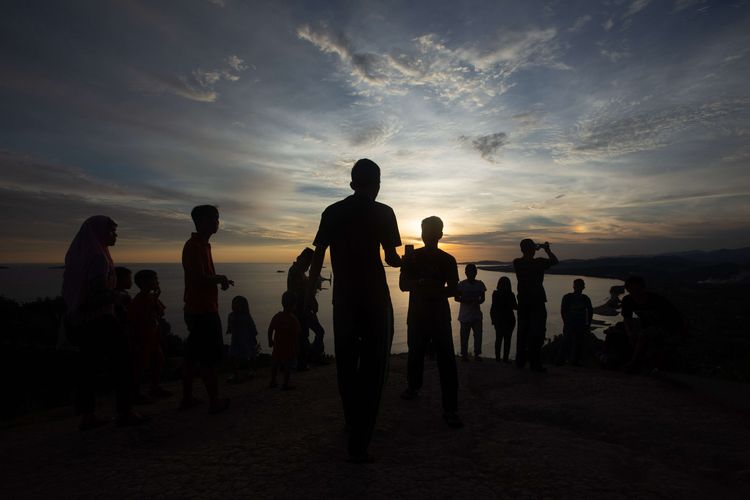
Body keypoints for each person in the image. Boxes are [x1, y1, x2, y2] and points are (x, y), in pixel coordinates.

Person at [306, 158, 402, 463]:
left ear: (351, 183)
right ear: (378, 183)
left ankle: (351, 421)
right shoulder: (384, 212)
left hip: (344, 298)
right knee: (375, 367)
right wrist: (405, 262)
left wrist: (310, 293)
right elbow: (391, 258)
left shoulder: (333, 211)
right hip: (374, 297)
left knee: (346, 363)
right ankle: (360, 441)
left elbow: (318, 256)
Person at [62, 216, 147, 430]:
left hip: (79, 320)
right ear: (100, 233)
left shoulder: (77, 256)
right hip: (100, 319)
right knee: (124, 362)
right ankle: (125, 411)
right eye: (112, 231)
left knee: (88, 368)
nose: (115, 235)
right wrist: (119, 296)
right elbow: (97, 294)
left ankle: (88, 415)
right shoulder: (99, 258)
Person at [400, 216, 462, 428]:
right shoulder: (411, 258)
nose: (427, 234)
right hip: (418, 314)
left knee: (447, 361)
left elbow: (453, 289)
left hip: (438, 315)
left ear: (440, 235)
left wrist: (434, 291)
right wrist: (421, 282)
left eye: (430, 230)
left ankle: (450, 408)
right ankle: (413, 386)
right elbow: (402, 285)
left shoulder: (448, 260)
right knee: (415, 353)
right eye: (425, 230)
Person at [180, 205, 232, 414]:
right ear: (201, 221)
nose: (217, 223)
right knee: (209, 358)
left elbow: (203, 277)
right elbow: (198, 279)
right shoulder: (194, 246)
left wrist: (219, 280)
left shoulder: (202, 245)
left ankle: (187, 398)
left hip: (198, 309)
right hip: (202, 310)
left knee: (192, 357)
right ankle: (214, 402)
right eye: (214, 219)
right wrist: (219, 279)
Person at [621, 275, 686, 373]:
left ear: (643, 288)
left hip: (668, 325)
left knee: (645, 335)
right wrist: (630, 332)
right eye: (631, 289)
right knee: (619, 329)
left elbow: (673, 319)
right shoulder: (627, 300)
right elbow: (627, 318)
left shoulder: (657, 300)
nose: (635, 292)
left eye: (637, 289)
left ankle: (635, 363)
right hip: (648, 325)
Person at [513, 239, 558, 372]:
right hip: (537, 301)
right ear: (533, 249)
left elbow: (527, 258)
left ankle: (520, 361)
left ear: (522, 250)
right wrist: (546, 249)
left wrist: (535, 248)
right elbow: (555, 261)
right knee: (537, 333)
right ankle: (535, 363)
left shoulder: (517, 263)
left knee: (522, 332)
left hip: (523, 302)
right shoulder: (539, 263)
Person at [129, 269, 171, 400]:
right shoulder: (138, 300)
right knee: (140, 366)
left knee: (158, 361)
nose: (157, 282)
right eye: (155, 279)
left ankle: (154, 387)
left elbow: (161, 313)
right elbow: (133, 321)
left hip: (153, 338)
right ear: (146, 282)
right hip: (143, 339)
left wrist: (156, 297)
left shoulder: (150, 298)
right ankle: (136, 393)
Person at [287, 248, 314, 370]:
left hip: (301, 309)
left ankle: (302, 361)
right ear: (303, 259)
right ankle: (300, 363)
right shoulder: (296, 271)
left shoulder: (299, 271)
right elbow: (298, 292)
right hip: (298, 310)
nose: (309, 266)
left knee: (303, 336)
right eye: (308, 263)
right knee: (301, 336)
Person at [268, 291, 301, 390]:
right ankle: (285, 383)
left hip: (277, 345)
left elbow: (270, 329)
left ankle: (273, 380)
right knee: (288, 365)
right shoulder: (293, 319)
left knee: (275, 363)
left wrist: (270, 340)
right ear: (294, 305)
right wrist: (297, 347)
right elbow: (297, 334)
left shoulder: (277, 316)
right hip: (289, 347)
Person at [557, 279, 593, 366]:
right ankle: (561, 361)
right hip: (571, 324)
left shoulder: (585, 298)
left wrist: (587, 324)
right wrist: (566, 322)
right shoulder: (568, 297)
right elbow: (563, 311)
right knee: (567, 342)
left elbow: (590, 311)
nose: (579, 287)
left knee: (577, 343)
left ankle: (573, 362)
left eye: (580, 285)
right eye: (578, 285)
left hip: (579, 325)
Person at [455, 264, 486, 361]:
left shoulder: (480, 284)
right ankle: (464, 355)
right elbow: (456, 298)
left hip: (476, 315)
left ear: (476, 273)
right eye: (469, 272)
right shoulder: (462, 285)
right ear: (466, 273)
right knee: (464, 337)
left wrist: (477, 301)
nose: (471, 274)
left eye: (473, 272)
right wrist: (465, 300)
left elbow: (483, 299)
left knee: (478, 336)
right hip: (465, 316)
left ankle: (477, 355)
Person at [226, 295, 259, 383]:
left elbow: (252, 326)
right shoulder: (231, 315)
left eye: (238, 305)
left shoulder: (246, 316)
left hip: (246, 339)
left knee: (250, 355)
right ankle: (234, 373)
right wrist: (228, 329)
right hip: (235, 340)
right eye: (234, 304)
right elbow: (229, 325)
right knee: (232, 356)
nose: (235, 306)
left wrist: (254, 335)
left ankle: (251, 370)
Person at [490, 276, 517, 363]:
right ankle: (504, 359)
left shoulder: (496, 294)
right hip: (507, 320)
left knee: (499, 339)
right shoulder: (510, 295)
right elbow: (515, 307)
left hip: (501, 320)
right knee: (506, 340)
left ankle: (498, 359)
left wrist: (493, 320)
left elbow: (493, 308)